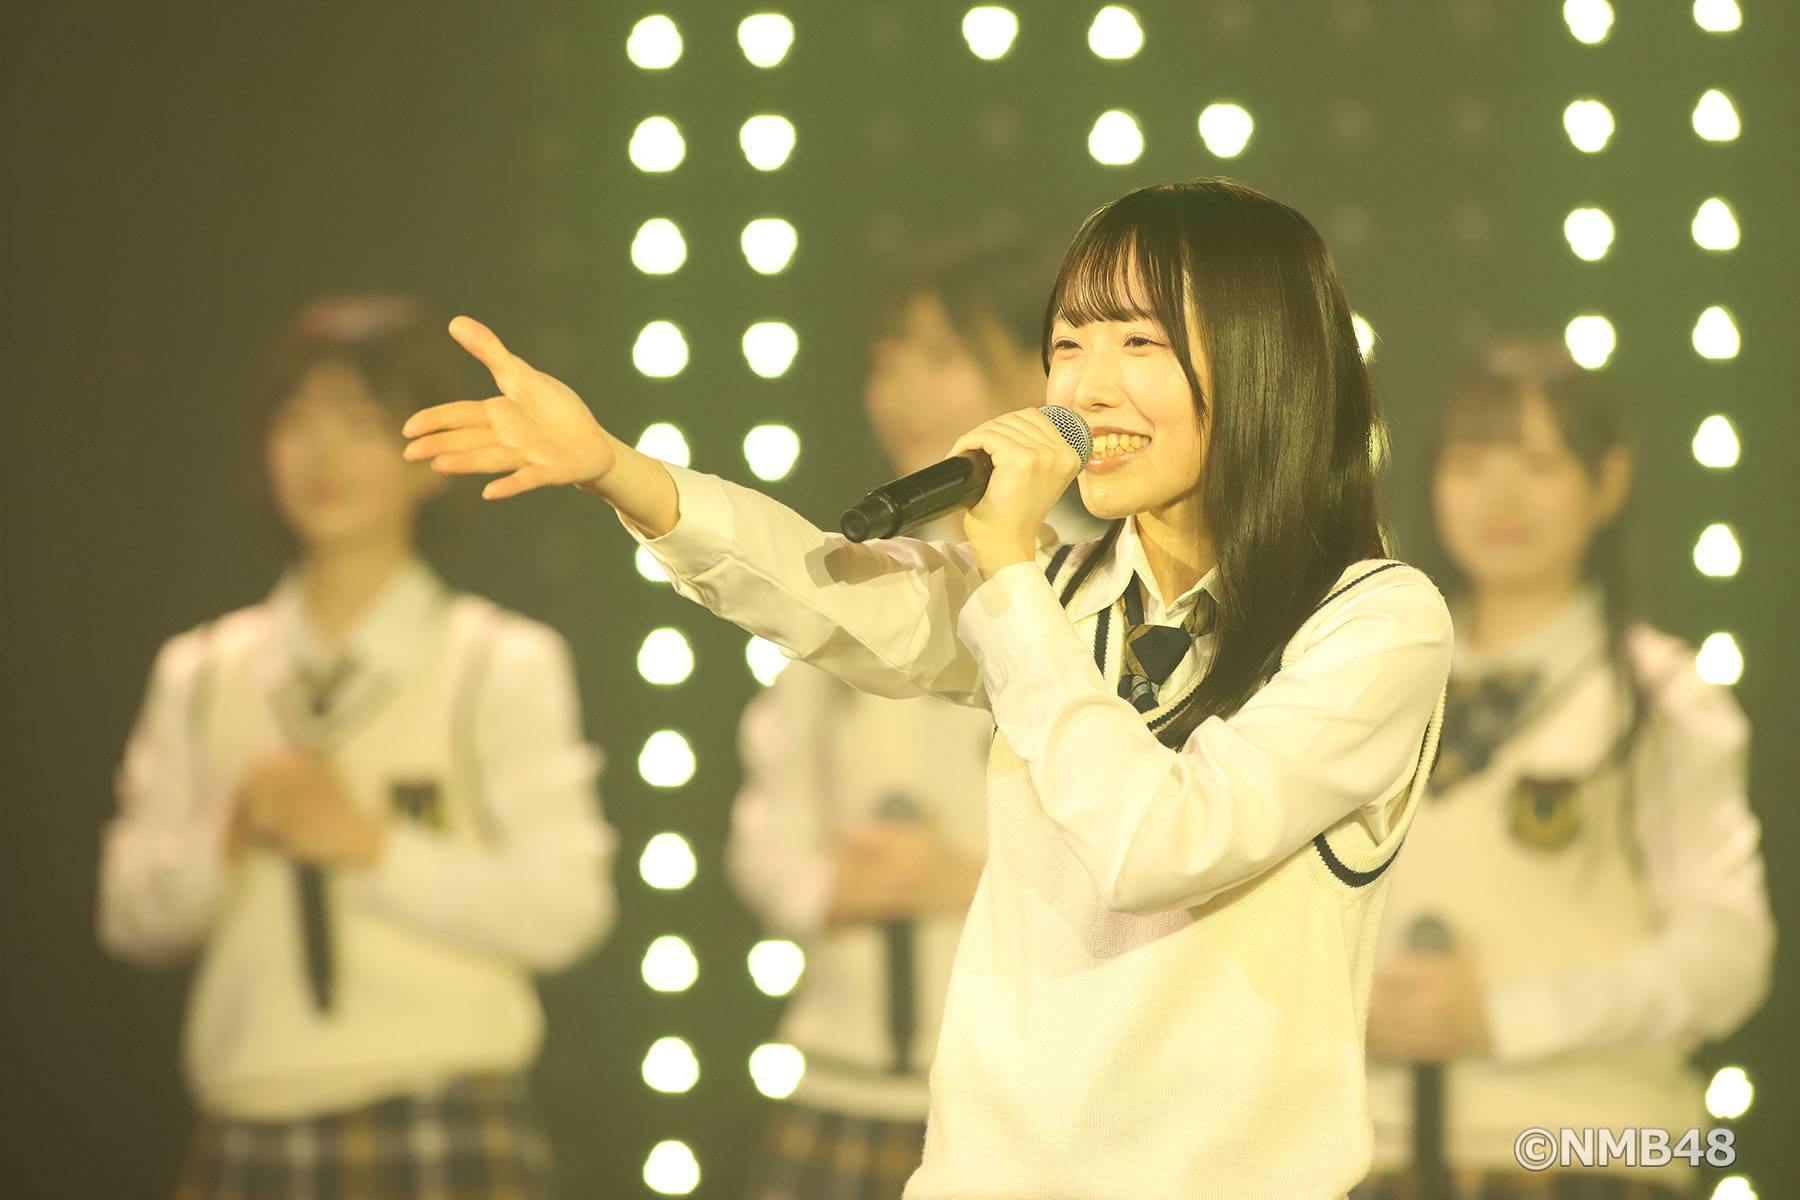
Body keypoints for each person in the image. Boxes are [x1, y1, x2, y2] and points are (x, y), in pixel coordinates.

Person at [404, 178, 1453, 1198]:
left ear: (1268, 358)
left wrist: (1007, 568)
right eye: (1068, 344)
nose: (1085, 389)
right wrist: (615, 468)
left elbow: (1163, 846)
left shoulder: (1372, 623)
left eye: (1139, 343)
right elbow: (829, 594)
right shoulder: (1059, 590)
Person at [99, 296, 617, 1200]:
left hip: (445, 1113)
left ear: (432, 461)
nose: (324, 455)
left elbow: (566, 908)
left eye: (364, 425)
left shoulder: (496, 661)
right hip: (248, 1118)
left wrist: (370, 845)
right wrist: (228, 835)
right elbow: (130, 916)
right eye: (296, 422)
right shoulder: (203, 672)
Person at [1357, 338, 1775, 1200]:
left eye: (1540, 465)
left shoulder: (1661, 698)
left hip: (1588, 1154)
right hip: (1371, 1157)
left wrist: (1499, 1018)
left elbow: (1727, 952)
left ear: (1608, 483)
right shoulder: (1368, 689)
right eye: (1471, 464)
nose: (1501, 498)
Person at [730, 235, 1099, 1200]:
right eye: (885, 362)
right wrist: (830, 883)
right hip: (843, 1080)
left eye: (942, 357)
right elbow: (765, 831)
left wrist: (958, 880)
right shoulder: (855, 580)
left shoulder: (1097, 585)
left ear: (1039, 378)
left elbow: (1149, 844)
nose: (903, 394)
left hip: (1034, 1093)